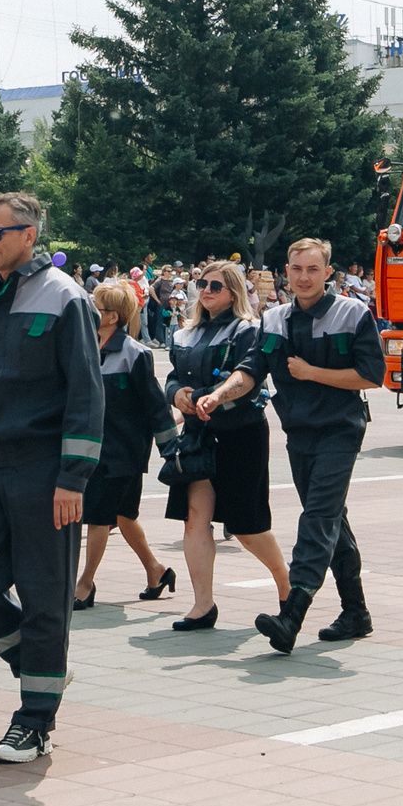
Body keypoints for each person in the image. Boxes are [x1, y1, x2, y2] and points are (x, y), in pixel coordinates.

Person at [0, 191, 103, 763]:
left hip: (45, 469)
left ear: (29, 235)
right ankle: (42, 667)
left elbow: (87, 393)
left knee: (44, 597)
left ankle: (34, 720)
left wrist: (74, 476)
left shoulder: (66, 298)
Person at [247, 237, 383, 653]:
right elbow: (251, 369)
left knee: (318, 517)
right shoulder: (272, 320)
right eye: (296, 269)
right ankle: (355, 611)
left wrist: (312, 373)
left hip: (340, 430)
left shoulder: (353, 312)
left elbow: (371, 375)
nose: (304, 277)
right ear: (286, 272)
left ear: (328, 272)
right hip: (299, 433)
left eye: (312, 269)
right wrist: (216, 395)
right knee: (330, 520)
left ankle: (294, 611)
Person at [162, 260, 289, 629]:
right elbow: (171, 376)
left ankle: (288, 589)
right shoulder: (187, 331)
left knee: (247, 527)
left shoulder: (247, 330)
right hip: (199, 436)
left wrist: (205, 396)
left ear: (233, 292)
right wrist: (177, 395)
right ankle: (203, 606)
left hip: (240, 432)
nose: (205, 290)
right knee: (194, 522)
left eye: (215, 286)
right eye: (202, 283)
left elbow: (247, 376)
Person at [75, 279, 173, 610]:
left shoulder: (135, 354)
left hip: (122, 452)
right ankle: (156, 571)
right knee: (124, 516)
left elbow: (156, 406)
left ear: (113, 316)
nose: (89, 311)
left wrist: (171, 450)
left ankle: (85, 584)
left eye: (96, 308)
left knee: (99, 516)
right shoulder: (83, 347)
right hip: (91, 447)